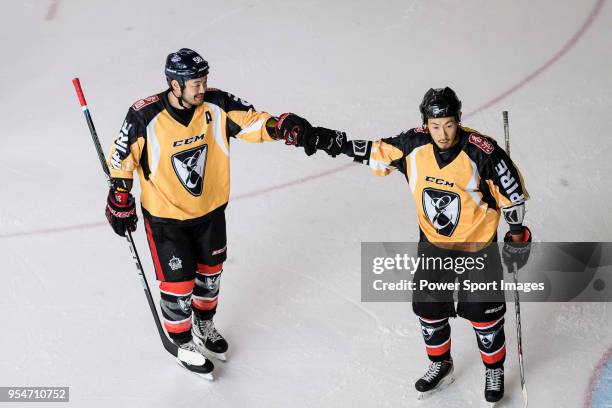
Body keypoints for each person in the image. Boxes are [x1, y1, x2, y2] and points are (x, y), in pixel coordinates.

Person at [276, 87, 532, 403]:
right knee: (428, 307)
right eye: (435, 126)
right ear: (425, 123)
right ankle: (440, 363)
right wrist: (317, 137)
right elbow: (368, 149)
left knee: (484, 313)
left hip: (476, 246)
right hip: (434, 244)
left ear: (459, 119)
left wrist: (517, 235)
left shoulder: (483, 151)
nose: (442, 133)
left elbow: (513, 194)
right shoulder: (412, 145)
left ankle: (494, 369)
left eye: (449, 124)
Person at [104, 48, 298, 379]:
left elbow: (251, 121)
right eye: (194, 82)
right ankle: (182, 341)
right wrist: (120, 193)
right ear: (174, 84)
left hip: (210, 213)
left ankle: (204, 325)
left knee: (210, 276)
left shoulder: (217, 104)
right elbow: (122, 155)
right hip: (166, 219)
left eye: (203, 80)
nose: (201, 88)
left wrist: (280, 126)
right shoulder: (144, 115)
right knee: (179, 284)